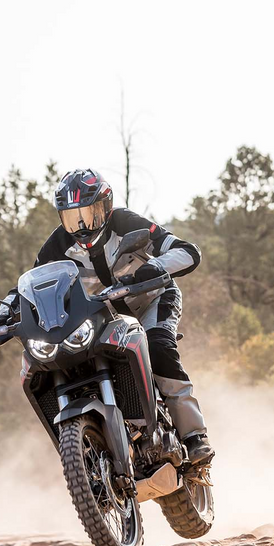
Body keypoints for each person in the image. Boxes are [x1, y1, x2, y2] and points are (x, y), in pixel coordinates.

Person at [31, 168, 214, 465]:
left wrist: (156, 267)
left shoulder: (125, 222)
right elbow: (31, 285)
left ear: (105, 206)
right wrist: (7, 311)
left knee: (158, 346)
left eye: (88, 214)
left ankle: (194, 435)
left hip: (152, 299)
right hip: (107, 314)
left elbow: (187, 251)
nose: (81, 225)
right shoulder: (57, 244)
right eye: (72, 218)